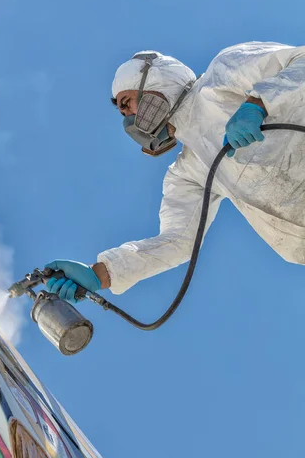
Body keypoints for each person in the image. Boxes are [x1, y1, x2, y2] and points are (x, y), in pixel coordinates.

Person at [46, 42, 305, 303]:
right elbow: (178, 242)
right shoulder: (187, 173)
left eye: (128, 104)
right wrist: (100, 274)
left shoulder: (223, 71)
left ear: (155, 82)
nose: (130, 120)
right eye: (124, 114)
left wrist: (257, 103)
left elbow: (301, 61)